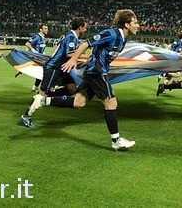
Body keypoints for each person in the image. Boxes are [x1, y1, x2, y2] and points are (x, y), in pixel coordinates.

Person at [59, 9, 139, 151]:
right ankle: (116, 141)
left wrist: (93, 57)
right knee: (111, 103)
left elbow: (97, 50)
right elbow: (86, 43)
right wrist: (73, 59)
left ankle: (42, 100)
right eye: (135, 23)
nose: (138, 26)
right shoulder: (111, 33)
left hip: (95, 72)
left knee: (78, 103)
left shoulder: (123, 39)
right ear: (127, 25)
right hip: (97, 73)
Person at [20, 18, 87, 128]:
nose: (86, 30)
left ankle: (47, 99)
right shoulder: (71, 37)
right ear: (80, 27)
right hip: (54, 68)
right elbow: (70, 54)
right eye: (85, 27)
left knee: (72, 88)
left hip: (62, 68)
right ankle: (26, 115)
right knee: (43, 92)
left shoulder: (70, 36)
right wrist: (86, 57)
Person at [25, 23, 48, 92]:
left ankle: (35, 87)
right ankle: (39, 88)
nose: (47, 30)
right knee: (43, 73)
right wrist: (33, 50)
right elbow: (27, 43)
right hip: (37, 58)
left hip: (41, 58)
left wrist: (43, 53)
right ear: (41, 30)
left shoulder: (43, 38)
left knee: (42, 73)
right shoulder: (37, 37)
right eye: (45, 28)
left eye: (47, 28)